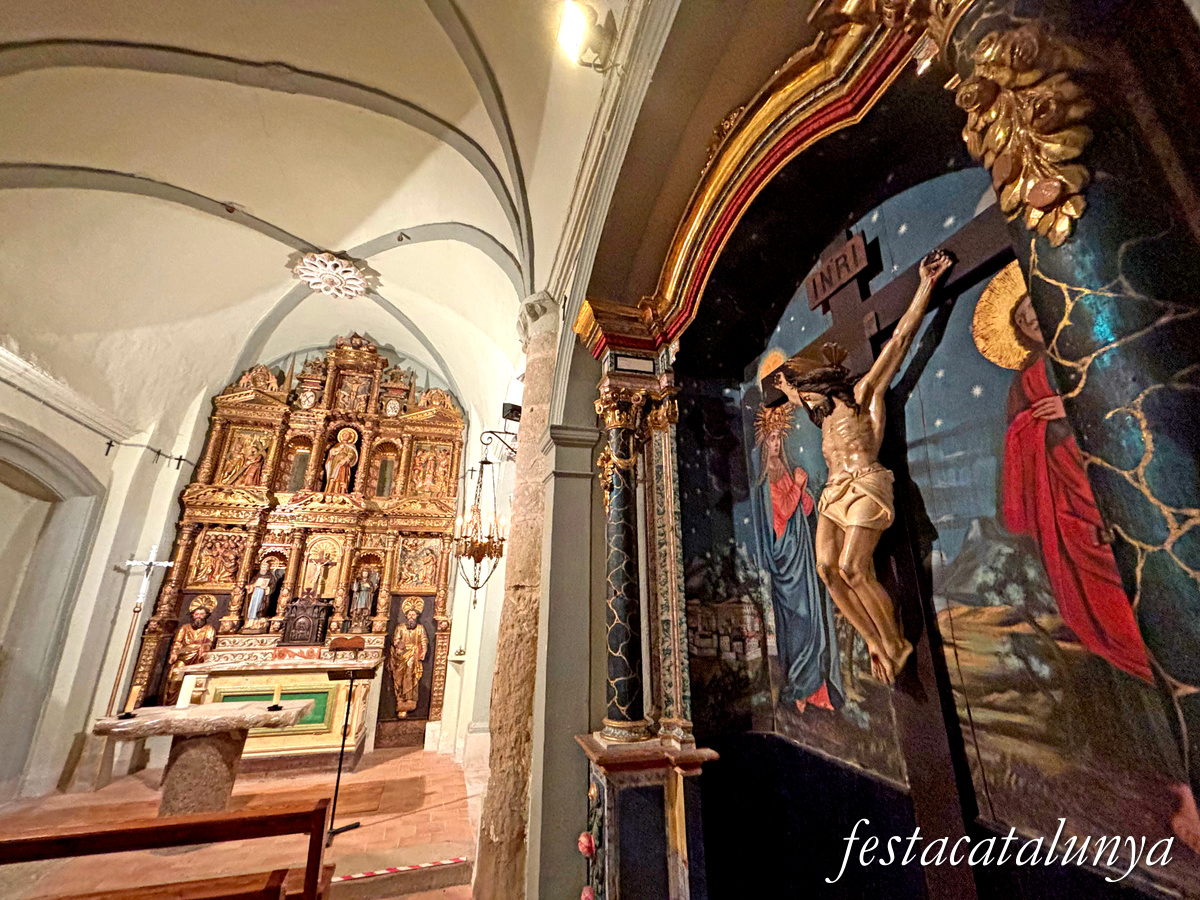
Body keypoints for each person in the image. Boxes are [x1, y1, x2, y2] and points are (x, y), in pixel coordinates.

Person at [777, 249, 953, 683]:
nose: (805, 405)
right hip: (834, 494)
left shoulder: (863, 394)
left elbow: (899, 344)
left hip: (866, 483)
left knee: (855, 567)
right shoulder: (818, 412)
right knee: (826, 570)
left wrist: (926, 285)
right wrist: (782, 385)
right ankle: (873, 640)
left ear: (825, 387)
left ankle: (894, 641)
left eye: (808, 396)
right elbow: (800, 398)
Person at [754, 402, 844, 713]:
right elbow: (780, 516)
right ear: (766, 444)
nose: (777, 443)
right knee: (798, 625)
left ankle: (817, 691)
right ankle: (800, 689)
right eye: (772, 439)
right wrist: (798, 486)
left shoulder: (789, 472)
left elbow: (803, 511)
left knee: (813, 625)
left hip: (801, 559)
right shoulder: (767, 481)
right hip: (786, 564)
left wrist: (803, 491)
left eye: (780, 437)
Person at [165, 595, 217, 704]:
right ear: (193, 615)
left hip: (199, 656)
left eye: (202, 614)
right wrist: (174, 653)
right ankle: (171, 701)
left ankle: (191, 702)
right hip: (183, 655)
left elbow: (209, 642)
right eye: (196, 614)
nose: (198, 617)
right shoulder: (185, 628)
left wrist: (204, 649)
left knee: (196, 679)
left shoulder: (209, 628)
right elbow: (177, 642)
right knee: (175, 678)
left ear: (206, 616)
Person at [391, 597, 429, 716]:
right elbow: (395, 639)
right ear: (406, 615)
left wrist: (423, 651)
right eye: (409, 614)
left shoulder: (420, 628)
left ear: (416, 616)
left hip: (413, 653)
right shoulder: (401, 627)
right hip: (401, 655)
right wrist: (398, 644)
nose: (411, 616)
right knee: (399, 678)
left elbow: (424, 640)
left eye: (413, 614)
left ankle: (410, 698)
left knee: (410, 675)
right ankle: (400, 698)